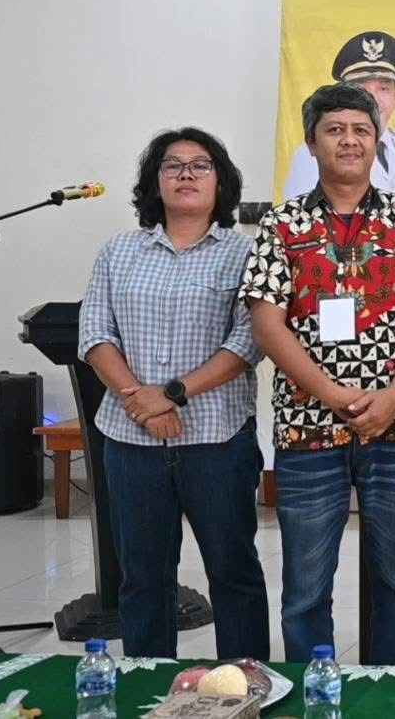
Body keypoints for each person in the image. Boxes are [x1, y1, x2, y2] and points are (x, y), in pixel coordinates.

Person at [241, 83, 395, 666]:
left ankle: (393, 689)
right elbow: (267, 325)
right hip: (308, 427)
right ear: (311, 142)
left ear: (376, 141)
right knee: (305, 586)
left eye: (361, 130)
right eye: (335, 129)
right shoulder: (282, 224)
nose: (349, 140)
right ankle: (315, 688)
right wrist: (334, 394)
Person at [77, 127, 267, 660]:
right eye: (172, 165)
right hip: (131, 440)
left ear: (220, 181)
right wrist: (139, 400)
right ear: (154, 181)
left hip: (217, 440)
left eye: (200, 165)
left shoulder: (246, 253)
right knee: (142, 577)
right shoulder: (119, 251)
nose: (186, 174)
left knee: (233, 571)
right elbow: (94, 334)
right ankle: (148, 681)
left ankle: (245, 682)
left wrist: (172, 394)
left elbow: (249, 341)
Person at [282, 30, 395, 210]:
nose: (373, 99)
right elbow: (301, 218)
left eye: (383, 88)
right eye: (360, 88)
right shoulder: (314, 154)